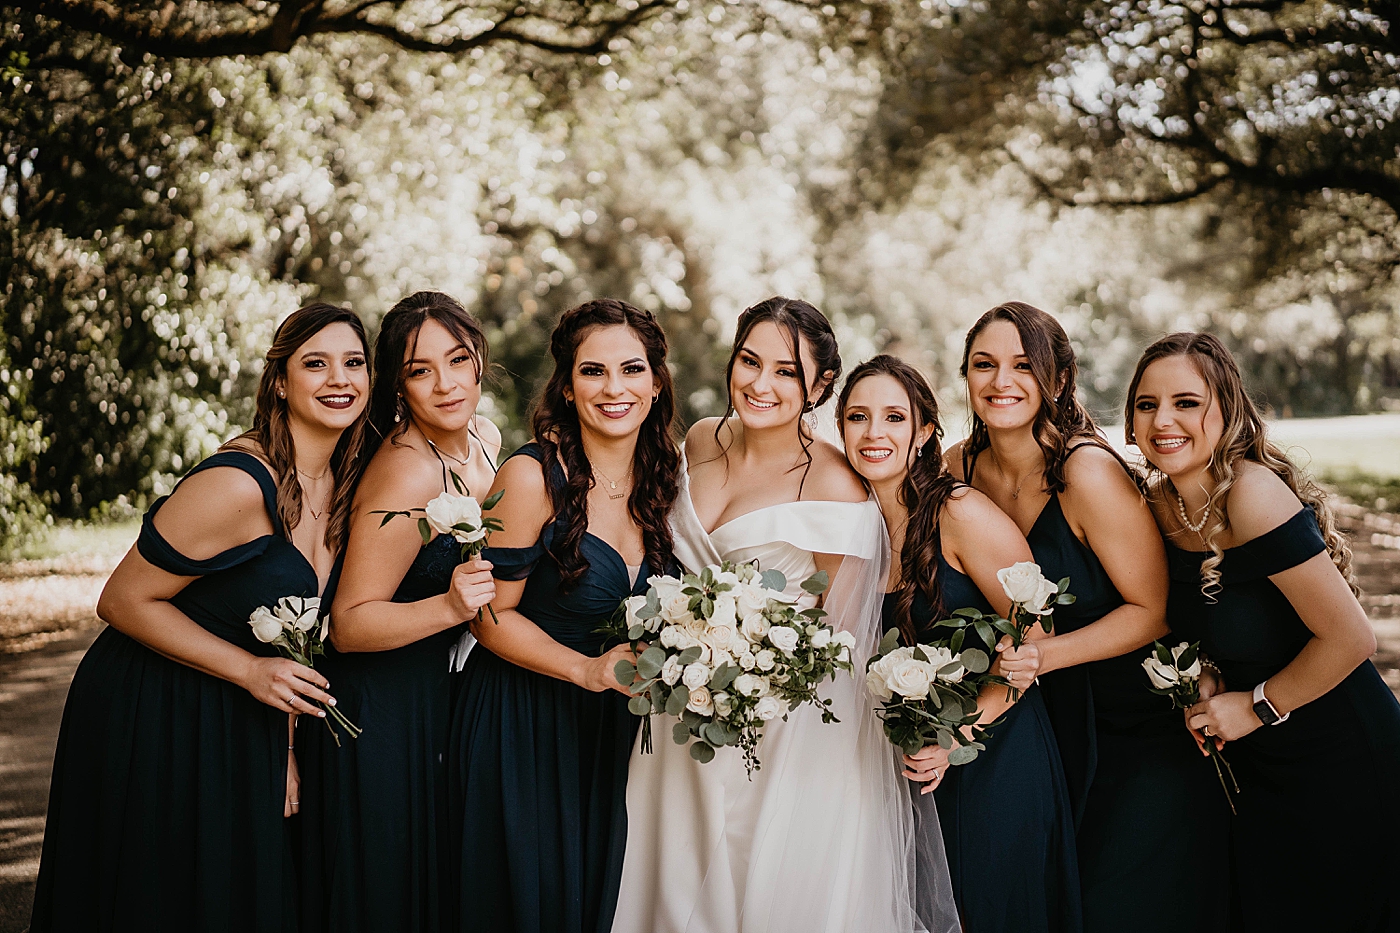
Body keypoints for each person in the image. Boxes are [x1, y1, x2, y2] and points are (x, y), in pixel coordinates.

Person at [30, 303, 370, 932]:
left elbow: (293, 639)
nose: (338, 379)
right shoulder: (239, 484)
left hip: (241, 707)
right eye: (314, 363)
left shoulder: (344, 486)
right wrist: (248, 670)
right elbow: (122, 599)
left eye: (353, 362)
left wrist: (287, 749)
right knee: (160, 889)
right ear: (279, 381)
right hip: (157, 699)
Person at [615, 298, 941, 933]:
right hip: (675, 710)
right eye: (749, 361)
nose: (760, 384)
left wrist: (748, 673)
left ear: (819, 385)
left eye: (786, 371)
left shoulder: (837, 488)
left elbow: (840, 642)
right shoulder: (702, 436)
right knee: (663, 880)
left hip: (773, 732)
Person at [949, 302, 1227, 932]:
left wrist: (1043, 656)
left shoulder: (1087, 472)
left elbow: (1151, 612)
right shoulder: (958, 467)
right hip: (1033, 722)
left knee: (1115, 900)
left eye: (1024, 366)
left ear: (1060, 378)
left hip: (1124, 722)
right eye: (984, 365)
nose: (1001, 382)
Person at [1128, 331, 1400, 932]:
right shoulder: (1157, 504)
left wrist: (1254, 708)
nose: (1163, 420)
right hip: (1262, 773)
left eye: (1187, 402)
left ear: (1226, 410)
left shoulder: (1252, 496)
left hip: (1344, 759)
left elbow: (1353, 639)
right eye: (1147, 404)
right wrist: (1207, 676)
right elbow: (1219, 622)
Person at [448, 298, 680, 933]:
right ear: (568, 386)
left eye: (631, 370)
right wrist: (583, 670)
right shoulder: (529, 477)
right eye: (593, 372)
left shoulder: (666, 483)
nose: (614, 389)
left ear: (657, 384)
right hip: (520, 723)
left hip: (611, 734)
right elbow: (485, 616)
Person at [840, 354, 1079, 933]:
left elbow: (1033, 645)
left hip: (995, 752)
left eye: (894, 418)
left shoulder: (961, 512)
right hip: (913, 765)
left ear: (923, 431)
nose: (874, 434)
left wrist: (957, 734)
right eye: (857, 417)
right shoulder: (857, 525)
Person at [299, 292, 500, 932]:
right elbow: (350, 625)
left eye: (458, 360)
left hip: (442, 696)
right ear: (399, 385)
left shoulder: (485, 441)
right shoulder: (405, 474)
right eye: (420, 370)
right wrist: (448, 606)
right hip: (381, 708)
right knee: (387, 886)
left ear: (478, 362)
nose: (446, 384)